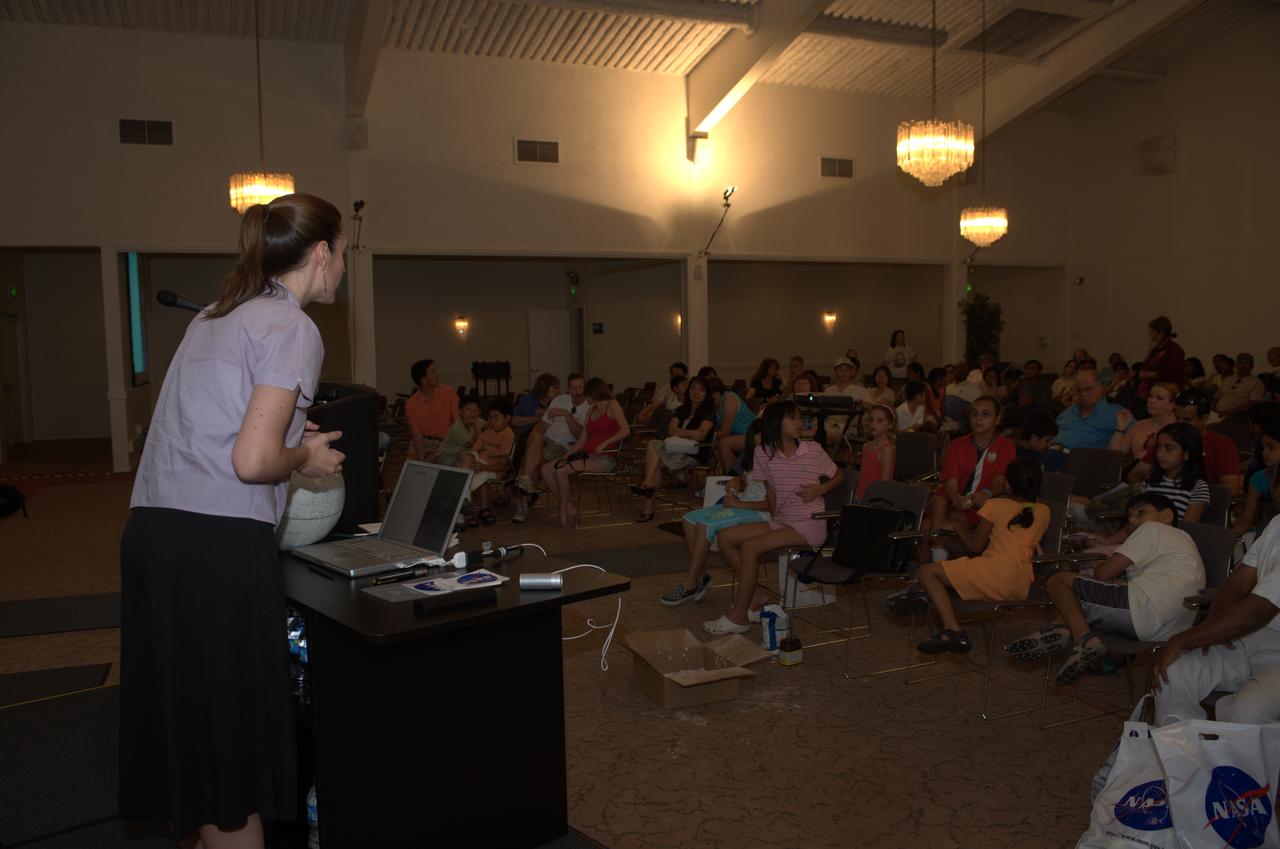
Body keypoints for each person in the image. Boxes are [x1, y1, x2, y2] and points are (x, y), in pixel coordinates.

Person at [121, 194, 347, 848]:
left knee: (191, 731)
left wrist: (283, 432)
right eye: (343, 256)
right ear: (323, 252)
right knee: (231, 756)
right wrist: (305, 453)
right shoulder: (292, 326)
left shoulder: (219, 313)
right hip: (216, 544)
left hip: (154, 533)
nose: (342, 270)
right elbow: (252, 462)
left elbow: (211, 424)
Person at [1011, 493, 1203, 686]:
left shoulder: (1153, 528)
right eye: (1130, 516)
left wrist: (1104, 564)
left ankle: (1083, 639)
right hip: (1168, 631)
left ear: (1167, 516)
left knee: (1058, 582)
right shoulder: (1184, 540)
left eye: (1141, 512)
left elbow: (1103, 574)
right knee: (1078, 600)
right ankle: (1061, 628)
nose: (1133, 520)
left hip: (1143, 610)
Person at [703, 402, 843, 634]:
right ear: (777, 424)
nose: (800, 422)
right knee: (725, 537)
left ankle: (739, 616)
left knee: (750, 547)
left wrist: (819, 490)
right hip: (783, 520)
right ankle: (755, 594)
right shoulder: (762, 453)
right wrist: (772, 518)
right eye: (794, 418)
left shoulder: (813, 450)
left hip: (810, 522)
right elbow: (771, 492)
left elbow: (837, 476)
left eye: (800, 417)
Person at [905, 460, 1050, 653]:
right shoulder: (1045, 511)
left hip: (995, 575)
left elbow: (975, 547)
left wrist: (957, 527)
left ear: (1007, 484)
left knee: (927, 572)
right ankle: (920, 594)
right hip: (1020, 583)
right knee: (948, 570)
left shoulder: (995, 505)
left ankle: (951, 629)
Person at [1152, 513, 1280, 726]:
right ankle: (1182, 752)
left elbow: (1258, 612)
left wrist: (1182, 640)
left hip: (1263, 634)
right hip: (1252, 634)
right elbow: (1238, 583)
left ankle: (1235, 758)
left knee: (1246, 712)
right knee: (1172, 672)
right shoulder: (1277, 522)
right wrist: (1210, 630)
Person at [659, 421, 770, 607]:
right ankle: (699, 577)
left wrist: (741, 504)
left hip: (758, 513)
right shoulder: (753, 457)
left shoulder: (773, 462)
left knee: (706, 525)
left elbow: (773, 504)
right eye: (757, 436)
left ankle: (691, 582)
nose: (760, 440)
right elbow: (745, 480)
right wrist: (736, 481)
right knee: (689, 519)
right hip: (742, 505)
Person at [540, 377, 629, 529]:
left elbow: (626, 430)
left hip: (605, 459)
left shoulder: (612, 405)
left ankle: (564, 513)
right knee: (546, 469)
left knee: (561, 471)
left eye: (587, 395)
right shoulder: (590, 411)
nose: (584, 397)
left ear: (595, 394)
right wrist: (566, 455)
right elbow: (581, 441)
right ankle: (569, 507)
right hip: (588, 455)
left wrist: (606, 443)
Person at [927, 396, 1016, 537]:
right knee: (938, 502)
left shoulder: (1006, 446)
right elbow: (951, 484)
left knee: (940, 525)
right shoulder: (956, 444)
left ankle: (938, 546)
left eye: (985, 414)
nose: (978, 418)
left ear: (997, 419)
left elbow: (999, 482)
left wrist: (986, 493)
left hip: (982, 503)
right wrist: (955, 498)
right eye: (974, 414)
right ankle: (938, 545)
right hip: (950, 499)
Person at [630, 376, 716, 521]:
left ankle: (649, 497)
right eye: (693, 389)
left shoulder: (709, 413)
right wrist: (690, 434)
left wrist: (682, 433)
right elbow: (671, 430)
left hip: (694, 454)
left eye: (701, 390)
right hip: (675, 450)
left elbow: (701, 435)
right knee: (653, 453)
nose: (696, 392)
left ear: (706, 394)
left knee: (653, 451)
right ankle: (649, 490)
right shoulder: (681, 409)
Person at [1127, 388, 1241, 494]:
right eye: (1177, 418)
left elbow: (1230, 488)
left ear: (1204, 419)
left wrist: (1195, 499)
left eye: (1187, 420)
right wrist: (1146, 496)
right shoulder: (1166, 439)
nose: (1180, 423)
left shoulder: (1221, 444)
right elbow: (1136, 474)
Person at [515, 373, 587, 500]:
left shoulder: (589, 406)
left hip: (565, 445)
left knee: (533, 461)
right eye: (574, 388)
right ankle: (525, 481)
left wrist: (566, 415)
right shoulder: (559, 400)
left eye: (581, 387)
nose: (578, 391)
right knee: (535, 442)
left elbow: (579, 435)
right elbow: (542, 425)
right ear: (568, 389)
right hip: (547, 439)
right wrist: (531, 441)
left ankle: (523, 501)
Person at [461, 399, 516, 525]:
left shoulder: (509, 436)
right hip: (480, 462)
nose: (492, 421)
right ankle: (467, 502)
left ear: (507, 418)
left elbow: (503, 465)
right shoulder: (486, 433)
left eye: (496, 418)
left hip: (494, 468)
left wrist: (482, 466)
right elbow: (474, 450)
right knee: (466, 457)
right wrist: (472, 460)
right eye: (490, 418)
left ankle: (465, 502)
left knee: (477, 473)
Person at [1053, 369, 1129, 451]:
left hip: (1087, 460)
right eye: (1079, 390)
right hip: (1052, 455)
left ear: (1101, 388)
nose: (1083, 393)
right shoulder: (1067, 413)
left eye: (1088, 389)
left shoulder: (1118, 415)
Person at [1109, 381, 1177, 463]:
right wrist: (1120, 428)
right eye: (1151, 396)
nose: (1152, 401)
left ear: (1172, 405)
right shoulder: (1141, 424)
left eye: (1159, 398)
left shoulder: (1177, 429)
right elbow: (1114, 455)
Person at [405, 358, 460, 459]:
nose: (437, 374)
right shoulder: (411, 405)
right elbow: (417, 436)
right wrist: (422, 461)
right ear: (423, 379)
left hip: (445, 441)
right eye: (433, 371)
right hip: (424, 441)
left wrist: (443, 449)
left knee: (444, 461)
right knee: (413, 468)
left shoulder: (448, 392)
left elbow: (457, 423)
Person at [1232, 427, 1280, 541]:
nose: (1264, 453)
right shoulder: (1259, 478)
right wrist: (1226, 536)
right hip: (1268, 532)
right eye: (1263, 448)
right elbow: (1246, 519)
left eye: (1271, 447)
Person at [1136, 315, 1185, 401]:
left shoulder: (1174, 349)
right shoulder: (1156, 349)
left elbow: (1172, 371)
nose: (1150, 334)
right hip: (1152, 389)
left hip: (1166, 392)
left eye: (1152, 331)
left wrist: (1150, 374)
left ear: (1159, 331)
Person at [711, 377, 755, 472]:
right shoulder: (714, 405)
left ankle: (731, 477)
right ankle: (732, 473)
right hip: (740, 435)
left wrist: (707, 437)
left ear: (717, 392)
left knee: (724, 443)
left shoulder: (729, 399)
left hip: (753, 434)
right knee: (715, 447)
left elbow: (725, 431)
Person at [855, 403, 896, 500]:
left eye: (879, 420)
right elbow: (862, 476)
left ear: (890, 425)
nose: (873, 424)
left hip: (875, 499)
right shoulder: (866, 446)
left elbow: (885, 482)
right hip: (860, 496)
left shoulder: (886, 450)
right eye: (871, 419)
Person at [434, 395, 482, 466]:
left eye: (475, 410)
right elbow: (476, 444)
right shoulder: (457, 427)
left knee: (471, 461)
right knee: (462, 465)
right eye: (468, 409)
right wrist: (477, 428)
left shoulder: (476, 420)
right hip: (445, 455)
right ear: (460, 411)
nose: (472, 412)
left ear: (479, 412)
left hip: (460, 454)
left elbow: (489, 424)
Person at [1215, 352, 1264, 418]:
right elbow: (1216, 397)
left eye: (1247, 363)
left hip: (1237, 416)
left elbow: (1253, 404)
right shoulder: (1229, 379)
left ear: (1252, 366)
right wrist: (1213, 410)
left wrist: (1228, 412)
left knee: (1211, 427)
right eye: (1240, 363)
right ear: (1236, 365)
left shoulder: (1256, 382)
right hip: (1217, 414)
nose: (1243, 366)